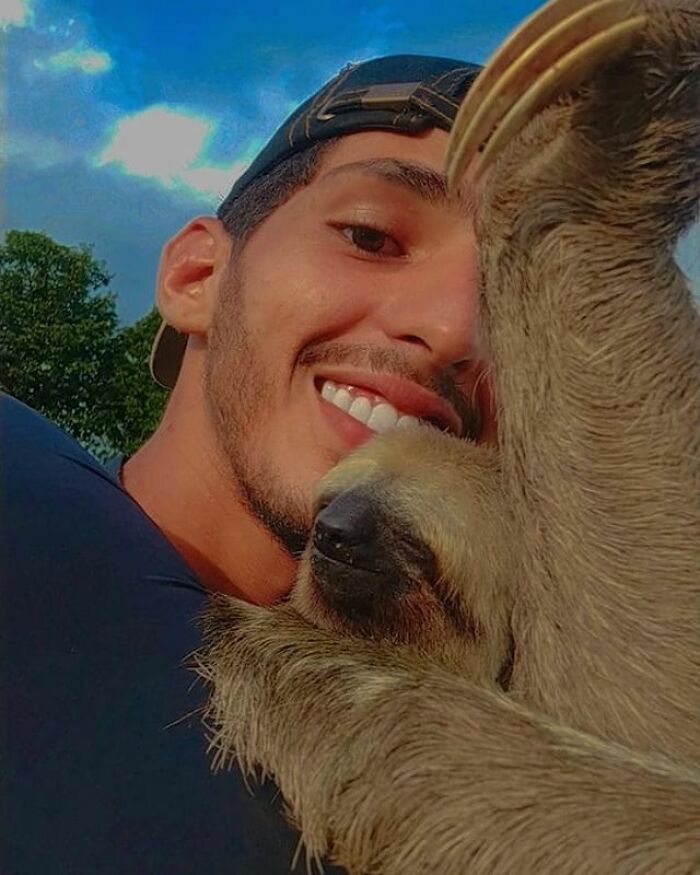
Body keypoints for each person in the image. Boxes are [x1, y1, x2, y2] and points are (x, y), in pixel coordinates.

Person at [1, 54, 489, 874]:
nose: (456, 330)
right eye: (370, 235)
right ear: (197, 275)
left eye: (510, 301)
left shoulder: (499, 731)